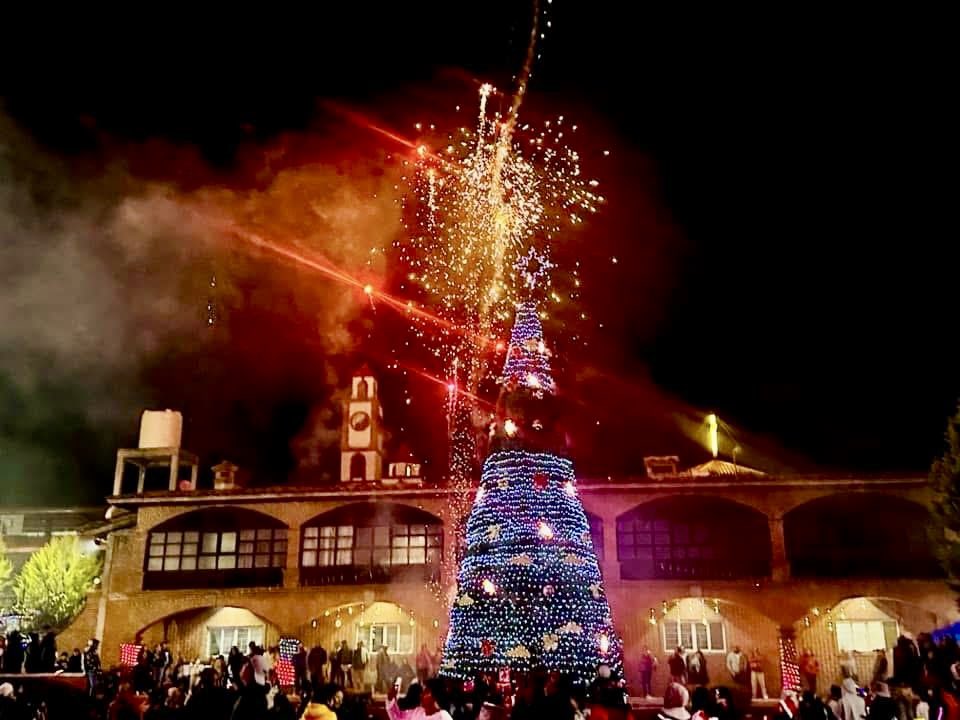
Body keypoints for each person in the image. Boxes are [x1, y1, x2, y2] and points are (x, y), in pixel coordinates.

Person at [386, 676, 454, 720]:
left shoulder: (442, 716)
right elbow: (398, 717)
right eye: (422, 691)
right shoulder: (417, 712)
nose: (421, 695)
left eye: (426, 691)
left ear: (434, 696)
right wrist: (390, 699)